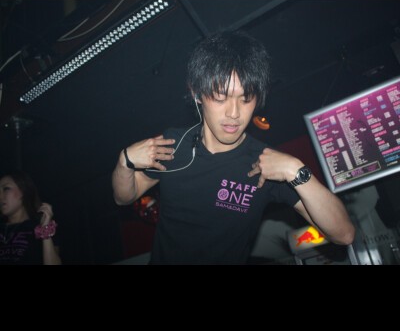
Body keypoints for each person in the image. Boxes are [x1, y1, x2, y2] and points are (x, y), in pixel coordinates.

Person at [112, 30, 355, 264]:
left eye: (246, 99)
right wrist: (125, 162)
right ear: (197, 94)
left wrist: (296, 170)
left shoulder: (266, 163)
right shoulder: (173, 144)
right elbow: (124, 198)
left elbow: (344, 234)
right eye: (220, 98)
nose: (234, 113)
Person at [0, 169, 62, 265]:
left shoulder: (40, 227)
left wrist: (45, 231)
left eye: (6, 189)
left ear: (23, 191)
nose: (0, 196)